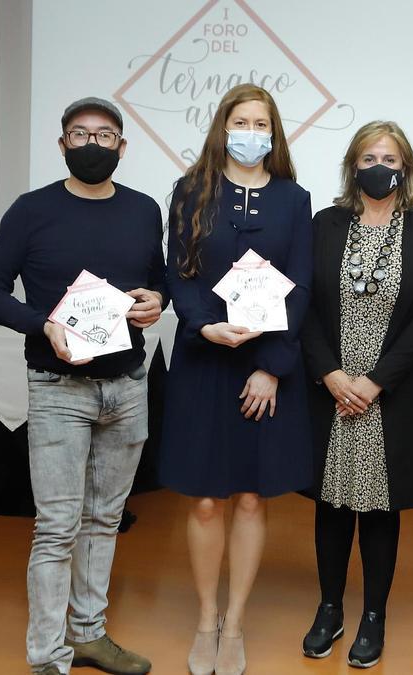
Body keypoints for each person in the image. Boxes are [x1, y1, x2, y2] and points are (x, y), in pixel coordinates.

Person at [0, 97, 163, 675]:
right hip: (58, 386)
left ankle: (88, 635)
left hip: (127, 385)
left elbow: (155, 283)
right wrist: (43, 325)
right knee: (57, 526)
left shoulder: (142, 209)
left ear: (121, 147)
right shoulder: (32, 210)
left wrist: (156, 301)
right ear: (62, 145)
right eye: (80, 135)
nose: (92, 144)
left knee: (105, 520)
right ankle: (46, 658)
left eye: (105, 136)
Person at [158, 83, 312, 675]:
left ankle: (236, 623)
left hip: (264, 367)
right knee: (203, 502)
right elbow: (179, 271)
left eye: (262, 122)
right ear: (223, 127)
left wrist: (272, 367)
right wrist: (202, 326)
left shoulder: (294, 199)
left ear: (273, 133)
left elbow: (300, 284)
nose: (251, 131)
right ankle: (205, 619)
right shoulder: (192, 190)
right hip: (204, 362)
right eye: (241, 120)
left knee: (249, 497)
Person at [299, 120, 413, 668]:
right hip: (331, 391)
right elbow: (305, 306)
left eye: (388, 158)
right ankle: (330, 608)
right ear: (352, 166)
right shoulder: (324, 225)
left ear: (404, 167)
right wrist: (330, 374)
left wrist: (374, 381)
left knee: (381, 510)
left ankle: (374, 616)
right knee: (331, 506)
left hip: (391, 393)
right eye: (367, 158)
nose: (378, 167)